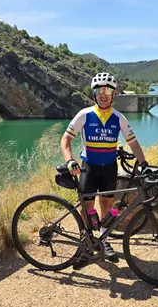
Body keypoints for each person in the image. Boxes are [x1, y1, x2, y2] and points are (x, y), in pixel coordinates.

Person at [60, 72, 150, 268]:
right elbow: (66, 139)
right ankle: (86, 244)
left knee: (107, 206)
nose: (103, 94)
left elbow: (134, 143)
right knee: (87, 210)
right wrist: (70, 160)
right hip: (88, 168)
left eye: (108, 90)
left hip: (109, 167)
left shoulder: (119, 118)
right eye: (100, 90)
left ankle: (104, 241)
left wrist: (144, 163)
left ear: (113, 93)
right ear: (94, 94)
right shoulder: (84, 115)